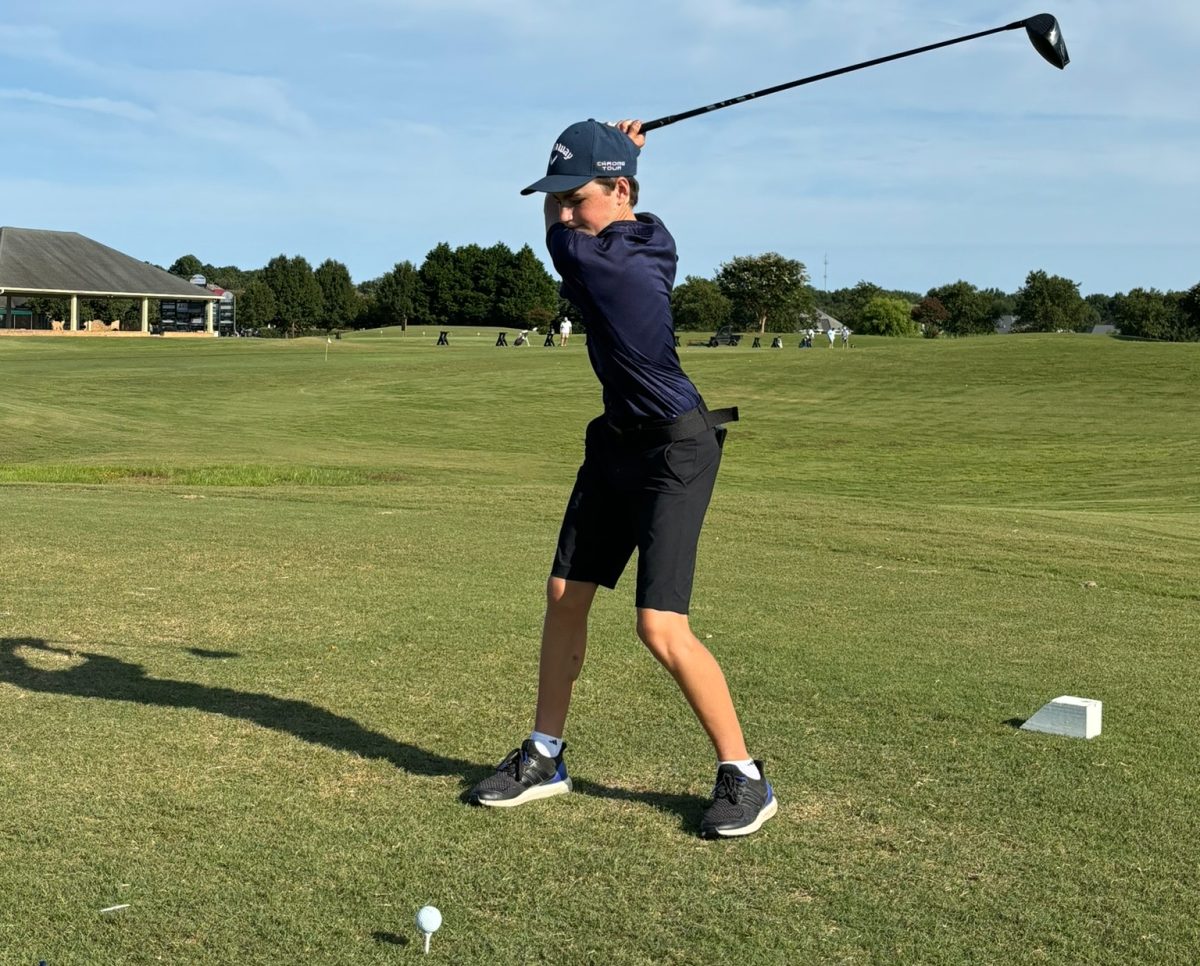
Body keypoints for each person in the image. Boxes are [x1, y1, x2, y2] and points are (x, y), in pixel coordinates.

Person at [468, 118, 776, 838]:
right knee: (564, 594)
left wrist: (609, 164)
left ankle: (745, 776)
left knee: (659, 627)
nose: (566, 213)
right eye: (562, 200)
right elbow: (612, 215)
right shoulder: (651, 235)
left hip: (674, 450)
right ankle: (546, 755)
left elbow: (559, 239)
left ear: (621, 192)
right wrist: (616, 155)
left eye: (577, 198)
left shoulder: (614, 266)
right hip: (615, 443)